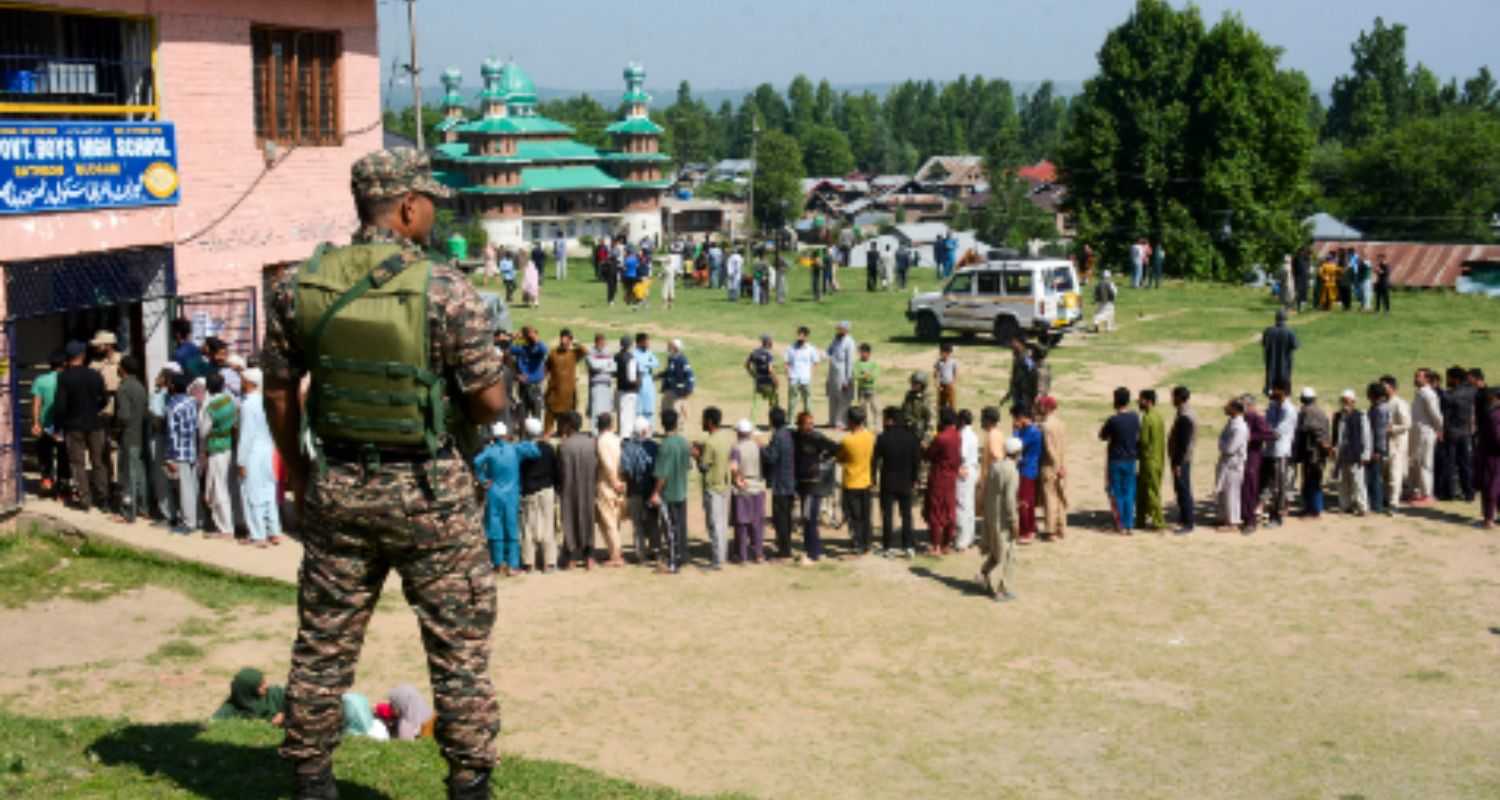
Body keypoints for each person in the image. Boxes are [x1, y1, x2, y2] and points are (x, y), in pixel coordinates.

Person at [260, 148, 508, 800]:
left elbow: (279, 394)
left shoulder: (297, 287)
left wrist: (302, 470)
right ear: (405, 206)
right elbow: (490, 401)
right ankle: (469, 782)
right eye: (428, 202)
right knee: (457, 649)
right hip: (432, 494)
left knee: (323, 643)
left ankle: (312, 779)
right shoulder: (446, 289)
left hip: (339, 484)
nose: (432, 213)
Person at [475, 421, 540, 575]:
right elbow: (535, 452)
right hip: (511, 494)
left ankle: (497, 564)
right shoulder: (515, 449)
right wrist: (527, 438)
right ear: (506, 435)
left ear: (493, 436)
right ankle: (512, 565)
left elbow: (476, 461)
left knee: (495, 528)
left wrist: (482, 479)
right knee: (511, 527)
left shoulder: (489, 451)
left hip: (494, 492)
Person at [53, 341, 107, 512]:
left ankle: (85, 501)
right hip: (95, 424)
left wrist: (58, 427)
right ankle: (103, 499)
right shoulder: (95, 374)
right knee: (98, 462)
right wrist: (94, 410)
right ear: (83, 356)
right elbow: (104, 399)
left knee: (78, 464)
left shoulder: (64, 377)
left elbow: (60, 406)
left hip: (73, 425)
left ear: (69, 358)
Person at [235, 368, 281, 547]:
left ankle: (258, 535)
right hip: (268, 450)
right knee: (268, 491)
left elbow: (246, 435)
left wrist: (241, 461)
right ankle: (274, 531)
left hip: (253, 453)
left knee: (251, 493)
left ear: (249, 383)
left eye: (243, 380)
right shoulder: (267, 402)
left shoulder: (248, 405)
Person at [977, 435, 1022, 602]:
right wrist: (1014, 522)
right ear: (1018, 453)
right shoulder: (1013, 471)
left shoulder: (995, 467)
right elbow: (1010, 500)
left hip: (991, 516)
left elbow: (986, 491)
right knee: (1010, 554)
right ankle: (1002, 589)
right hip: (1003, 520)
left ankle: (983, 574)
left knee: (996, 551)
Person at [873, 406, 920, 558]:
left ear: (890, 420)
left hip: (888, 481)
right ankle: (908, 545)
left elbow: (874, 460)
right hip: (906, 481)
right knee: (906, 515)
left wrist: (873, 478)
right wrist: (914, 479)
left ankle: (887, 546)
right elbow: (916, 462)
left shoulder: (883, 438)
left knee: (887, 515)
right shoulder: (912, 438)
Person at [792, 410, 837, 562]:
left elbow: (835, 448)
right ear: (800, 424)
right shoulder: (795, 436)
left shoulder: (816, 437)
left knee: (810, 518)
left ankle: (814, 552)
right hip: (802, 484)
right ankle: (809, 547)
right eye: (807, 424)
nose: (811, 426)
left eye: (812, 423)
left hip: (813, 485)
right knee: (806, 518)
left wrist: (821, 462)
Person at [651, 409, 692, 573]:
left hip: (669, 494)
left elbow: (662, 475)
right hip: (682, 490)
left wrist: (655, 493)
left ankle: (674, 563)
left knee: (670, 529)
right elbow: (688, 466)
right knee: (681, 526)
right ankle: (683, 555)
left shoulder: (665, 446)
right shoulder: (683, 442)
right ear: (676, 423)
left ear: (662, 424)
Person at [198, 371, 238, 538]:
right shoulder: (230, 400)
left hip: (216, 448)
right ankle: (226, 524)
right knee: (223, 486)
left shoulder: (211, 406)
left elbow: (203, 432)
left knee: (218, 488)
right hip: (228, 445)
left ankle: (226, 528)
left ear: (207, 387)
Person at [517, 417, 560, 572]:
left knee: (528, 527)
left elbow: (519, 472)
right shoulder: (548, 449)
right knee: (548, 525)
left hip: (529, 491)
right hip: (547, 490)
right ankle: (549, 563)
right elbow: (556, 471)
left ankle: (529, 563)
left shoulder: (522, 450)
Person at [557, 411, 598, 569]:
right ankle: (589, 556)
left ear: (568, 425)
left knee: (570, 520)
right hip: (588, 487)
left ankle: (571, 557)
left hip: (570, 489)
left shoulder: (564, 446)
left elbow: (560, 471)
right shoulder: (591, 443)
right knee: (588, 519)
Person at [695, 406, 734, 569]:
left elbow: (703, 467)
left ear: (709, 422)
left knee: (714, 523)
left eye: (703, 419)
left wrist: (696, 456)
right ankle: (722, 556)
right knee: (722, 523)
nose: (701, 422)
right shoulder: (725, 437)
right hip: (725, 484)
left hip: (713, 487)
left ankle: (717, 560)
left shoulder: (710, 443)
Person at [1099, 387, 1140, 534]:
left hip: (1116, 460)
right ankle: (1129, 524)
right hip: (1130, 459)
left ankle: (1120, 524)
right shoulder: (1135, 417)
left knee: (1117, 492)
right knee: (1129, 492)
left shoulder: (1113, 420)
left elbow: (1102, 436)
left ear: (1115, 401)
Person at [113, 356, 149, 524]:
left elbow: (124, 416)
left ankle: (128, 512)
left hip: (128, 436)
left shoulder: (124, 388)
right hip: (140, 436)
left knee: (127, 475)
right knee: (140, 473)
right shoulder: (141, 387)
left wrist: (115, 430)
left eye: (119, 366)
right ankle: (143, 508)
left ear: (123, 369)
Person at [620, 416, 660, 564]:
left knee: (637, 525)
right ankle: (655, 551)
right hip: (651, 490)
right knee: (653, 522)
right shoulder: (655, 447)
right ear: (644, 431)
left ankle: (641, 555)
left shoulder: (627, 447)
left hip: (634, 491)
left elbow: (625, 471)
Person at [837, 407, 876, 555]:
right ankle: (867, 543)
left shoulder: (847, 440)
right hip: (865, 481)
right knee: (866, 514)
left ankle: (857, 542)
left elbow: (840, 459)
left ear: (851, 421)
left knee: (854, 516)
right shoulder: (870, 437)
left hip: (851, 482)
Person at [163, 373, 199, 533]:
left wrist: (170, 457)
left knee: (184, 489)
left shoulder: (172, 405)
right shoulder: (192, 402)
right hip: (192, 449)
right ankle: (196, 518)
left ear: (172, 387)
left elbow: (172, 433)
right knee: (192, 487)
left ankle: (188, 523)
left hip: (179, 452)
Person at [924, 408, 962, 554]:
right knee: (949, 509)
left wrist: (924, 448)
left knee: (935, 511)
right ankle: (946, 544)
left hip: (939, 476)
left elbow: (929, 455)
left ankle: (936, 546)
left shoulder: (941, 438)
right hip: (951, 477)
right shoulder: (957, 435)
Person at [729, 418, 767, 563]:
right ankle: (759, 554)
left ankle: (742, 555)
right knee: (757, 523)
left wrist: (737, 478)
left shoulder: (736, 448)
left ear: (739, 432)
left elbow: (733, 467)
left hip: (743, 488)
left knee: (741, 523)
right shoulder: (758, 446)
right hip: (757, 486)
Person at [592, 412, 626, 567]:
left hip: (607, 484)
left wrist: (614, 482)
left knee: (609, 521)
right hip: (619, 483)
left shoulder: (602, 441)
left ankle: (616, 556)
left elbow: (607, 463)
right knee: (613, 519)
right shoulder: (616, 439)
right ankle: (615, 551)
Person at [29, 351, 64, 499]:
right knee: (64, 455)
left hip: (46, 425)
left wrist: (36, 423)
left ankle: (47, 481)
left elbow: (36, 404)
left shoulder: (40, 380)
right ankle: (63, 486)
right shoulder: (66, 379)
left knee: (44, 454)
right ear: (64, 364)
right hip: (64, 425)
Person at [1439, 366, 1476, 502]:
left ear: (1455, 379)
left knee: (1450, 463)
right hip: (1466, 432)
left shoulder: (1448, 395)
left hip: (1451, 432)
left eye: (1448, 377)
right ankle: (1469, 493)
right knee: (1465, 464)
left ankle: (1449, 493)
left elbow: (1444, 415)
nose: (1447, 380)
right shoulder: (1472, 391)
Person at [1264, 382, 1299, 527]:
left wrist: (1263, 431)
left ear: (1283, 392)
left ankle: (1277, 516)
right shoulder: (1273, 406)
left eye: (1275, 390)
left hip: (1280, 451)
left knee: (1279, 485)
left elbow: (1277, 432)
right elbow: (1267, 422)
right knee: (1271, 484)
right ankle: (1271, 511)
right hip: (1270, 449)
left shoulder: (1289, 410)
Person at [1293, 388, 1331, 518]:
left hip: (1313, 453)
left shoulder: (1308, 412)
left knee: (1312, 481)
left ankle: (1314, 510)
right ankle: (1309, 508)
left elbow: (1314, 431)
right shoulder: (1318, 411)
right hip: (1312, 453)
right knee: (1311, 481)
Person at [541, 330, 586, 436]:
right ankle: (547, 433)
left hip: (569, 392)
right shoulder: (553, 353)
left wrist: (575, 342)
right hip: (555, 390)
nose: (564, 340)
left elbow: (584, 351)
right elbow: (545, 368)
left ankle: (563, 432)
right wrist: (546, 379)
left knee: (566, 415)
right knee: (550, 413)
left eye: (567, 338)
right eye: (562, 337)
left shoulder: (574, 353)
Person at [1334, 389, 1372, 515]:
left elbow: (1367, 436)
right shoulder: (1338, 416)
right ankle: (1345, 505)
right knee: (1343, 482)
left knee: (1358, 482)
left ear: (1353, 402)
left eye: (1347, 400)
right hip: (1342, 453)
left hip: (1356, 454)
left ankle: (1362, 507)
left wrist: (1366, 453)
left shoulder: (1361, 416)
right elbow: (1336, 436)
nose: (1345, 403)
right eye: (1343, 400)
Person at [1409, 368, 1443, 505]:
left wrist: (1440, 429)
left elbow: (1436, 415)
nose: (1416, 378)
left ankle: (1427, 495)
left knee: (1425, 463)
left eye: (1419, 376)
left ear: (1427, 379)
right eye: (1416, 376)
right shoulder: (1420, 392)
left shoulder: (1429, 394)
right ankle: (1418, 492)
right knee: (1417, 462)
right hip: (1418, 432)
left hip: (1426, 432)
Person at [1010, 405, 1043, 544]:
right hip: (1025, 468)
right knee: (1028, 501)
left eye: (1016, 418)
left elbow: (1016, 445)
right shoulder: (1029, 430)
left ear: (1022, 417)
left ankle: (1026, 531)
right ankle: (1031, 527)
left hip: (1027, 469)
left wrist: (1015, 430)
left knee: (1024, 502)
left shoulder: (1032, 432)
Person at [1215, 398, 1249, 530]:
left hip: (1233, 465)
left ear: (1235, 409)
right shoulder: (1231, 422)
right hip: (1226, 463)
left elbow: (1229, 448)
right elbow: (1221, 439)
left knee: (1232, 493)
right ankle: (1224, 518)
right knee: (1223, 492)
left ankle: (1233, 523)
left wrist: (1222, 444)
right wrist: (1222, 444)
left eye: (1228, 406)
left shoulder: (1240, 427)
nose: (1225, 408)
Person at [1135, 389, 1166, 531]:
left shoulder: (1147, 418)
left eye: (1140, 399)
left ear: (1148, 401)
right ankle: (1140, 520)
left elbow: (1144, 441)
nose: (1138, 402)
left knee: (1151, 492)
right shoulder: (1158, 416)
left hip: (1148, 460)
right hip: (1158, 458)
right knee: (1145, 491)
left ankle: (1158, 522)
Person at [1168, 386, 1197, 534]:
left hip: (1182, 459)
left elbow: (1183, 443)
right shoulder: (1184, 411)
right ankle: (1184, 517)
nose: (1171, 399)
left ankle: (1189, 522)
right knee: (1180, 488)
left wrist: (1178, 463)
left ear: (1179, 397)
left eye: (1173, 396)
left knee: (1183, 489)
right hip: (1181, 458)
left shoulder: (1185, 416)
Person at [213, 668, 286, 725]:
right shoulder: (232, 707)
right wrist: (269, 724)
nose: (266, 686)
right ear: (248, 690)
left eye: (264, 682)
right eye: (260, 685)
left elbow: (294, 700)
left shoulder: (275, 693)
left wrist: (285, 714)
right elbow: (212, 723)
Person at [1381, 375, 1411, 512]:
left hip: (1397, 443)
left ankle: (1394, 503)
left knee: (1395, 474)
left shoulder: (1400, 403)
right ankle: (1386, 499)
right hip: (1384, 443)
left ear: (1392, 388)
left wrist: (1392, 429)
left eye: (1384, 386)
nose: (1381, 389)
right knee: (1385, 473)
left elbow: (1407, 424)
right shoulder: (1382, 403)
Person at [953, 409, 980, 550]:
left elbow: (961, 455)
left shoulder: (963, 435)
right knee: (969, 505)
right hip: (973, 469)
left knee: (961, 505)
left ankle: (962, 540)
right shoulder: (973, 434)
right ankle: (969, 537)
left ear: (961, 421)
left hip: (964, 470)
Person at [511, 327, 548, 423]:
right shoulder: (521, 349)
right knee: (523, 416)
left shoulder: (538, 350)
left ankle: (535, 436)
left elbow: (544, 350)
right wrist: (514, 338)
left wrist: (536, 339)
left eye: (531, 335)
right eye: (527, 335)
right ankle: (523, 435)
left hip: (535, 387)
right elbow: (508, 349)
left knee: (536, 417)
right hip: (523, 387)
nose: (529, 337)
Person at [1364, 382, 1390, 516]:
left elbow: (1380, 431)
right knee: (1373, 476)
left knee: (1374, 477)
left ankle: (1376, 505)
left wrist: (1377, 450)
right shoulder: (1378, 407)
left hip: (1376, 448)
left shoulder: (1379, 409)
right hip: (1374, 446)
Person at [784, 326, 821, 417]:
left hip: (805, 379)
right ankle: (790, 422)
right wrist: (788, 374)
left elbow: (816, 362)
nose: (800, 337)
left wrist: (810, 374)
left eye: (803, 335)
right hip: (794, 378)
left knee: (807, 402)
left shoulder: (811, 349)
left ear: (807, 336)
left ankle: (808, 421)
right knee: (792, 402)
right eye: (799, 334)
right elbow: (786, 362)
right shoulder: (790, 348)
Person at [825, 321, 856, 430]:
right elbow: (828, 351)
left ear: (846, 330)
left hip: (842, 373)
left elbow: (850, 362)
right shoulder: (835, 339)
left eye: (841, 328)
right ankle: (832, 420)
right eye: (838, 328)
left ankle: (841, 422)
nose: (838, 330)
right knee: (832, 396)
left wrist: (847, 380)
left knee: (843, 397)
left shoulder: (849, 342)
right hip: (832, 372)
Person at [1261, 309, 1299, 396]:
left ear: (1276, 319)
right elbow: (1295, 346)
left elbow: (1264, 344)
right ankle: (1285, 394)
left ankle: (1270, 391)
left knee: (1271, 379)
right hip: (1285, 364)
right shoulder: (1289, 332)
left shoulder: (1268, 331)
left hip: (1271, 363)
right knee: (1285, 384)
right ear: (1285, 319)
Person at [1478, 388, 1500, 529]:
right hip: (1493, 454)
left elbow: (1497, 437)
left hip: (1492, 455)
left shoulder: (1494, 415)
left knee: (1491, 486)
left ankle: (1489, 518)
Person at [661, 339, 695, 425]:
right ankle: (669, 428)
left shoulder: (682, 360)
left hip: (678, 391)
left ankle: (677, 429)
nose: (668, 348)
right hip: (669, 389)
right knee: (665, 409)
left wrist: (689, 389)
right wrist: (657, 377)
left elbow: (690, 376)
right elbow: (668, 372)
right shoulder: (671, 359)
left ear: (675, 348)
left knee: (676, 411)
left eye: (670, 346)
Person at [585, 333, 615, 426]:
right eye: (600, 342)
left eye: (603, 342)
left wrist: (600, 364)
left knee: (606, 409)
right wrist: (606, 364)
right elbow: (594, 366)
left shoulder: (609, 351)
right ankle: (594, 430)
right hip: (596, 384)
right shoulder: (590, 352)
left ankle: (605, 428)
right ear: (596, 342)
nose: (602, 344)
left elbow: (613, 367)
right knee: (595, 409)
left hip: (607, 384)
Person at [1001, 339, 1038, 414]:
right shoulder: (1017, 359)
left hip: (1024, 395)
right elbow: (1014, 379)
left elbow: (1033, 375)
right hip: (1018, 394)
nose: (1012, 351)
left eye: (1014, 348)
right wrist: (1009, 394)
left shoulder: (1026, 359)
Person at [614, 335, 640, 429]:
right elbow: (632, 377)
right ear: (630, 345)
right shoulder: (631, 358)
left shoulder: (616, 356)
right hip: (630, 390)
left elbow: (614, 372)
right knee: (628, 416)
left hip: (620, 389)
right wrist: (637, 386)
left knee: (621, 415)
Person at [853, 343, 880, 431]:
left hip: (872, 389)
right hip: (861, 389)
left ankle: (877, 427)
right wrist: (865, 376)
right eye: (861, 352)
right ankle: (864, 426)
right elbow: (855, 375)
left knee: (875, 408)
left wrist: (865, 376)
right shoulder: (857, 363)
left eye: (864, 352)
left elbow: (875, 375)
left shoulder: (874, 364)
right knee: (862, 408)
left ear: (869, 353)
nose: (862, 354)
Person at [902, 372, 933, 441]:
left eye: (915, 383)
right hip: (907, 430)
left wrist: (926, 437)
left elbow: (930, 420)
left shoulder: (926, 399)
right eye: (912, 383)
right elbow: (904, 411)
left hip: (919, 432)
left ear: (922, 385)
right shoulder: (909, 395)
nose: (912, 385)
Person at [934, 343, 959, 412]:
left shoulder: (953, 362)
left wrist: (954, 383)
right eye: (940, 352)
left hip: (950, 385)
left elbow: (955, 373)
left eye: (942, 352)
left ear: (948, 353)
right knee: (941, 403)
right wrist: (937, 383)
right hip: (942, 385)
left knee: (952, 403)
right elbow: (936, 373)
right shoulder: (939, 362)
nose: (941, 354)